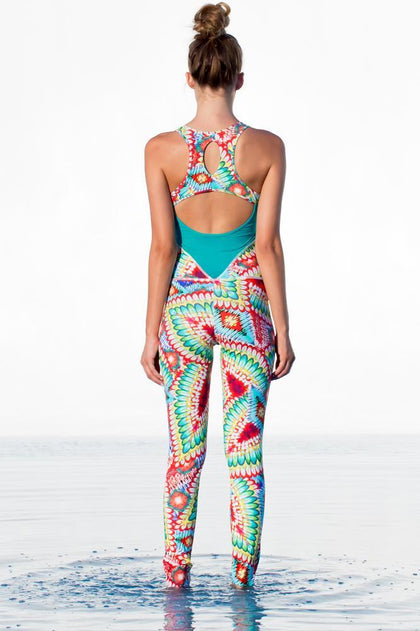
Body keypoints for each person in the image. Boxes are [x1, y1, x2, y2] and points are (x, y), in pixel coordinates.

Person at [141, 1, 295, 589]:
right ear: (238, 79)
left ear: (190, 78)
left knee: (185, 454)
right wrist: (283, 329)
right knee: (244, 454)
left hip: (183, 309)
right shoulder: (267, 148)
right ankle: (242, 587)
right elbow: (268, 245)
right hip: (247, 303)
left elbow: (163, 248)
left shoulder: (161, 150)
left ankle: (175, 583)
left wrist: (150, 333)